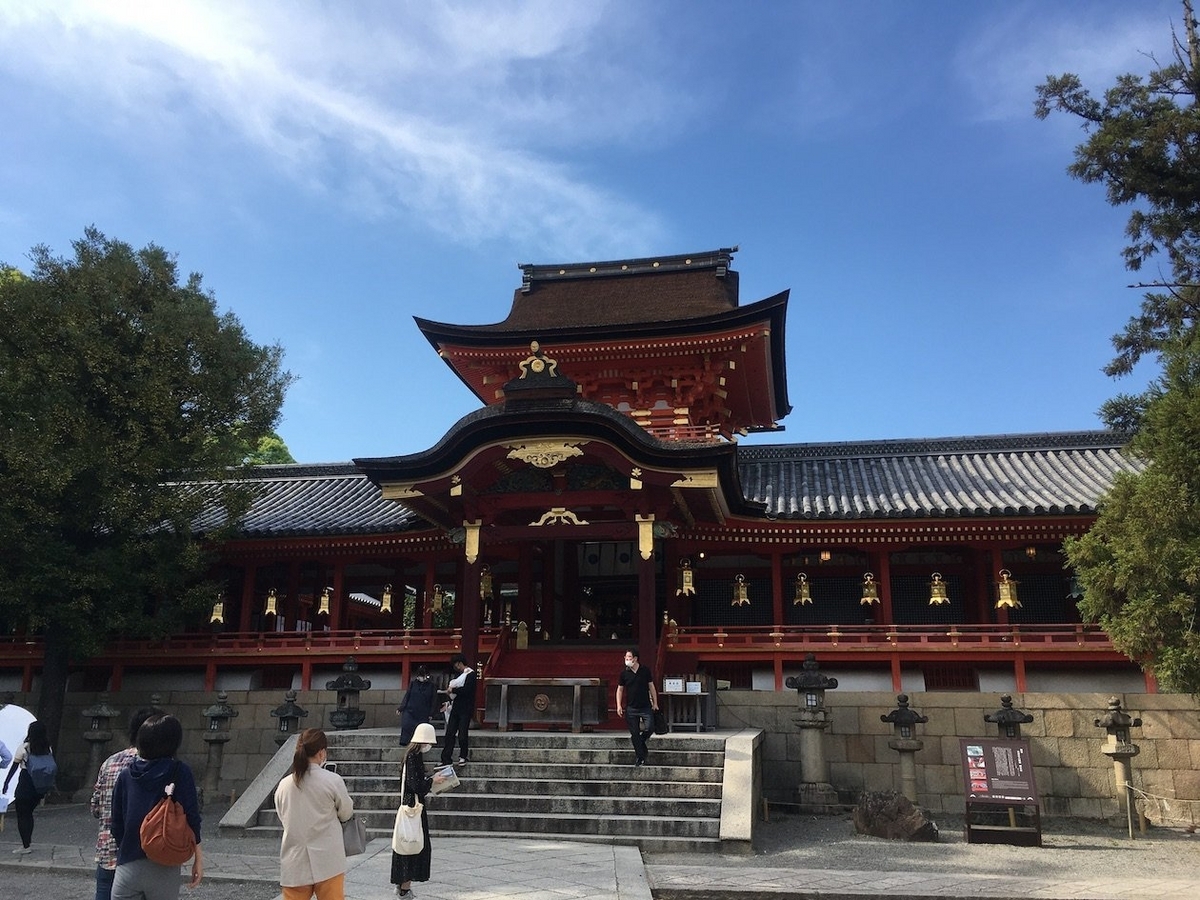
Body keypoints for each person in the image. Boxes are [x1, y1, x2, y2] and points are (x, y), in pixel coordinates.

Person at [111, 714, 203, 899]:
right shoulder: (179, 771)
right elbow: (192, 817)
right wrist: (198, 859)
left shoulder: (126, 776)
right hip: (164, 862)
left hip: (128, 863)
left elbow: (116, 824)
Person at [91, 706, 163, 900]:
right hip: (141, 855)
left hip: (108, 851)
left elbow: (96, 808)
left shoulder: (110, 762)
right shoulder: (159, 767)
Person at [274, 728, 355, 900]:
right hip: (328, 858)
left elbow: (283, 816)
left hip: (294, 859)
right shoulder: (332, 780)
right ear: (321, 752)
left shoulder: (284, 785)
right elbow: (346, 812)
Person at [391, 722, 447, 899]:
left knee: (407, 845)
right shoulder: (413, 757)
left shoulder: (411, 755)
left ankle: (402, 885)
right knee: (412, 845)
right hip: (413, 807)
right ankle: (404, 888)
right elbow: (416, 785)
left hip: (410, 805)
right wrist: (432, 781)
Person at [2, 720, 53, 854]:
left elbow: (14, 766)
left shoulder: (25, 747)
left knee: (22, 814)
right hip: (39, 785)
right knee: (29, 814)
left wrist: (6, 783)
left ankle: (26, 845)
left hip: (26, 782)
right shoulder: (47, 748)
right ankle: (27, 843)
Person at [615, 648, 658, 766]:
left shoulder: (645, 671)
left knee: (650, 728)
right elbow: (620, 689)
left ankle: (641, 742)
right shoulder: (624, 673)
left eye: (629, 657)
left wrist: (655, 703)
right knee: (634, 733)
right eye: (626, 657)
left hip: (645, 706)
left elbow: (651, 687)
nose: (627, 659)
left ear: (635, 659)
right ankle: (640, 757)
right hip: (631, 708)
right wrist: (619, 705)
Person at [439, 654, 476, 766]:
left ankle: (463, 756)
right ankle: (446, 758)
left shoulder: (471, 674)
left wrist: (453, 690)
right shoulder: (459, 675)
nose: (455, 666)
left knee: (462, 733)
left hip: (466, 707)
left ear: (459, 663)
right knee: (450, 733)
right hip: (456, 706)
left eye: (456, 664)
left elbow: (467, 690)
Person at [396, 666, 438, 747]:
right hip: (410, 710)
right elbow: (407, 696)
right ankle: (406, 743)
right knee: (406, 726)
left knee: (420, 731)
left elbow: (434, 700)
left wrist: (431, 713)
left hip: (423, 712)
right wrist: (401, 708)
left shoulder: (432, 686)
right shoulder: (413, 683)